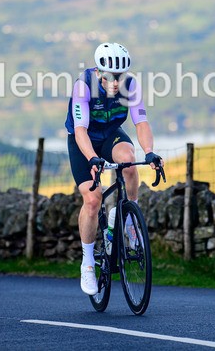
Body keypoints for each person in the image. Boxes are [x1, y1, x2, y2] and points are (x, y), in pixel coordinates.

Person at [64, 42, 163, 295]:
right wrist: (91, 159)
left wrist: (149, 151)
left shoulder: (130, 86)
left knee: (129, 160)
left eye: (120, 76)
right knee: (93, 199)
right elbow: (80, 130)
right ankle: (87, 263)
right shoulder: (83, 85)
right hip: (83, 140)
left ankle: (128, 216)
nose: (116, 82)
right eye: (110, 76)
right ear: (99, 72)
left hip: (110, 135)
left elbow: (141, 122)